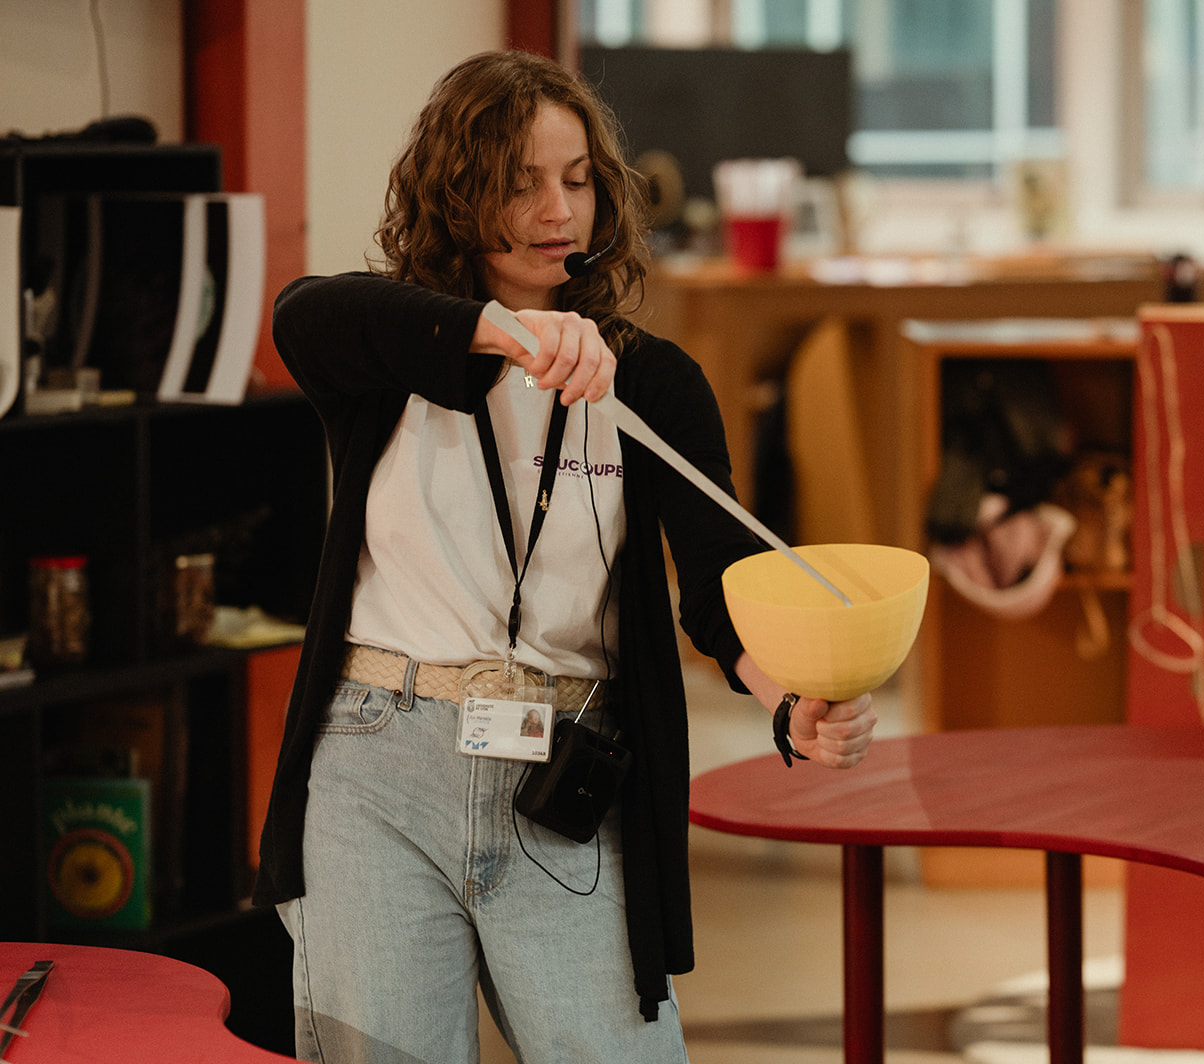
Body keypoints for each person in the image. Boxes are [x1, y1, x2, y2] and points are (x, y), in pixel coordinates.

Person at [253, 49, 878, 1064]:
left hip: (565, 772)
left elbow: (718, 585)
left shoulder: (650, 382)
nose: (559, 210)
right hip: (376, 764)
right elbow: (303, 314)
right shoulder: (389, 359)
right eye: (522, 182)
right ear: (459, 193)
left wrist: (788, 699)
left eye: (578, 179)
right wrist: (499, 335)